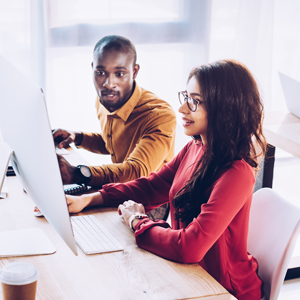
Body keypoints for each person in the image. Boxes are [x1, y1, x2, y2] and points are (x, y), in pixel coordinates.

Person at [64, 59, 267, 299]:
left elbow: (190, 247)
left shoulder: (237, 173)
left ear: (224, 108)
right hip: (186, 273)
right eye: (186, 97)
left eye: (195, 102)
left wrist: (137, 221)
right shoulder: (196, 147)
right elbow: (151, 187)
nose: (182, 109)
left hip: (221, 289)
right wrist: (91, 199)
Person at [47, 35, 176, 220]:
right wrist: (78, 137)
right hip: (119, 190)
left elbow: (137, 171)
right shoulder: (107, 98)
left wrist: (79, 173)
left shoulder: (159, 115)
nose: (109, 83)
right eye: (101, 73)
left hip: (148, 204)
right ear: (93, 69)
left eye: (119, 73)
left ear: (135, 71)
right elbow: (113, 142)